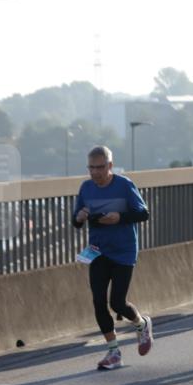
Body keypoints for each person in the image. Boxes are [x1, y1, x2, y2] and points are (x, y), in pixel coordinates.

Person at [72, 146, 153, 370]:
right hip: (98, 251)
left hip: (124, 250)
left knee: (117, 303)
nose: (95, 172)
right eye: (91, 168)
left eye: (100, 167)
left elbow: (143, 213)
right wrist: (79, 217)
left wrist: (119, 217)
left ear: (110, 165)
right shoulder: (86, 188)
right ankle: (114, 352)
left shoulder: (124, 185)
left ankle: (141, 324)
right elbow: (76, 221)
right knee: (98, 301)